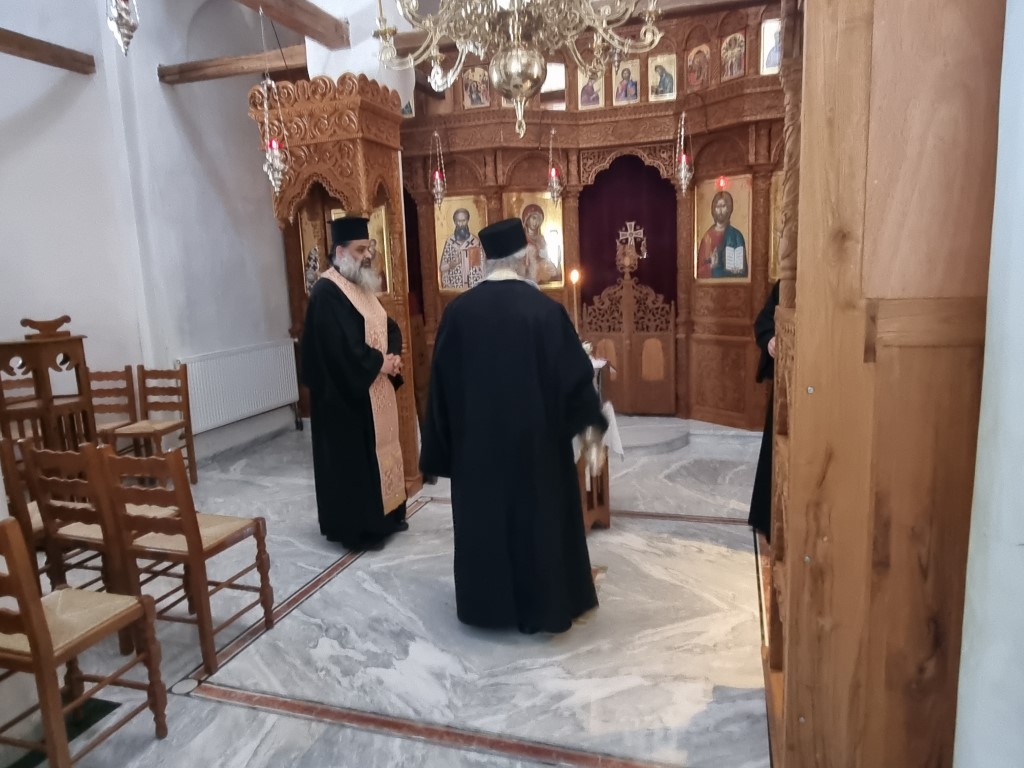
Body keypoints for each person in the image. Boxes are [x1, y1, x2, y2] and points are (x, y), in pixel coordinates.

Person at [420, 218, 608, 634]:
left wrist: (439, 452)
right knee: (538, 527)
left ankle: (487, 610)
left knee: (485, 526)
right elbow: (575, 381)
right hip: (537, 454)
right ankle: (544, 607)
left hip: (478, 456)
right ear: (525, 260)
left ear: (486, 262)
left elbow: (440, 390)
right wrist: (591, 430)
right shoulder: (545, 312)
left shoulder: (457, 314)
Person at [301, 216, 408, 551]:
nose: (367, 255)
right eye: (361, 250)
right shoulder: (326, 292)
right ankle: (361, 529)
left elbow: (389, 326)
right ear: (340, 252)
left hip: (371, 386)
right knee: (356, 463)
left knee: (383, 453)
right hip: (344, 399)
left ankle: (388, 516)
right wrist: (379, 363)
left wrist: (392, 356)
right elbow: (339, 349)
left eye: (368, 249)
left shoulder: (360, 286)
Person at [749, 281, 779, 541]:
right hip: (789, 386)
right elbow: (763, 322)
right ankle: (766, 517)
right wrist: (770, 340)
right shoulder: (789, 285)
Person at [696, 190, 748, 279]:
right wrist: (711, 265)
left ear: (728, 208)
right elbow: (698, 271)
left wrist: (739, 270)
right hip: (712, 285)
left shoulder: (736, 235)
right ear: (714, 209)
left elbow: (744, 271)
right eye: (717, 207)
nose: (720, 210)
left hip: (733, 284)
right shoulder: (707, 237)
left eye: (723, 206)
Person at [439, 208, 484, 290]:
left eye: (464, 221)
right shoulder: (450, 243)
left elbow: (482, 267)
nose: (461, 224)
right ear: (455, 222)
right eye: (458, 221)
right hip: (455, 286)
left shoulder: (474, 242)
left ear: (467, 220)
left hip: (473, 287)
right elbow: (442, 268)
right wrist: (452, 264)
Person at [521, 204, 561, 284]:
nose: (535, 222)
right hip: (527, 268)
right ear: (527, 219)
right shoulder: (522, 238)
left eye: (538, 220)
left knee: (553, 271)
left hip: (541, 267)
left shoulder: (541, 238)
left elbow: (545, 257)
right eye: (533, 218)